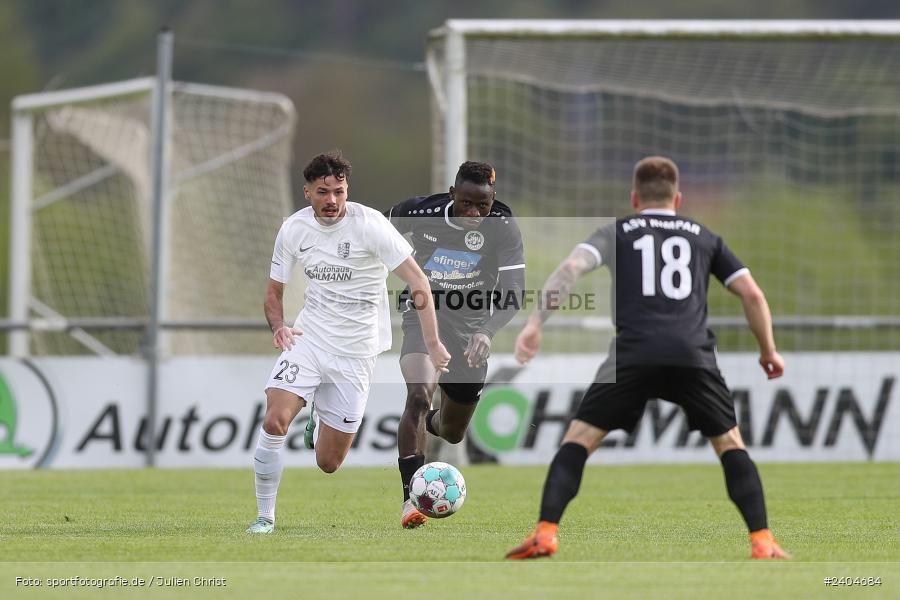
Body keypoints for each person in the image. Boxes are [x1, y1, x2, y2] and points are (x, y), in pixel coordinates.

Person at [505, 156, 790, 560]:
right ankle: (762, 541)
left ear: (635, 197)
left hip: (634, 353)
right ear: (679, 197)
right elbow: (752, 294)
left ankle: (546, 533)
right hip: (691, 353)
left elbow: (571, 268)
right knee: (729, 443)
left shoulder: (617, 231)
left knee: (580, 441)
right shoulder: (704, 236)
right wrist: (768, 350)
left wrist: (535, 323)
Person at [246, 151, 450, 534]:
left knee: (328, 463)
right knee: (274, 420)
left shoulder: (370, 226)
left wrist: (434, 343)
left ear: (347, 190)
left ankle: (320, 413)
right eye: (323, 192)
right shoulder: (293, 229)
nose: (332, 201)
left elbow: (419, 282)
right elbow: (274, 293)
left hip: (356, 353)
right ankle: (264, 517)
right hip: (308, 340)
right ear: (307, 192)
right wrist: (278, 325)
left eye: (339, 191)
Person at [385, 161, 525, 529]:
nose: (475, 213)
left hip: (472, 329)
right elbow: (371, 231)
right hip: (422, 314)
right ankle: (410, 501)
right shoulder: (416, 211)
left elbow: (513, 293)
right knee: (418, 395)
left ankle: (426, 424)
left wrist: (487, 332)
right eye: (466, 204)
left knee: (451, 429)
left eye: (484, 205)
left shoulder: (503, 227)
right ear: (452, 195)